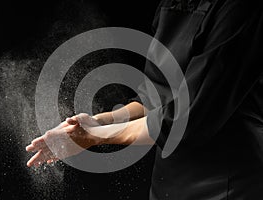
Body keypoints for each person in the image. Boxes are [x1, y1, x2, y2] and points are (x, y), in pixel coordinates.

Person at [26, 0, 263, 199]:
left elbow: (184, 120)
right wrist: (101, 121)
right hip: (168, 182)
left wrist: (91, 137)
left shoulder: (240, 8)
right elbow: (156, 95)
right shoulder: (172, 3)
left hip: (227, 183)